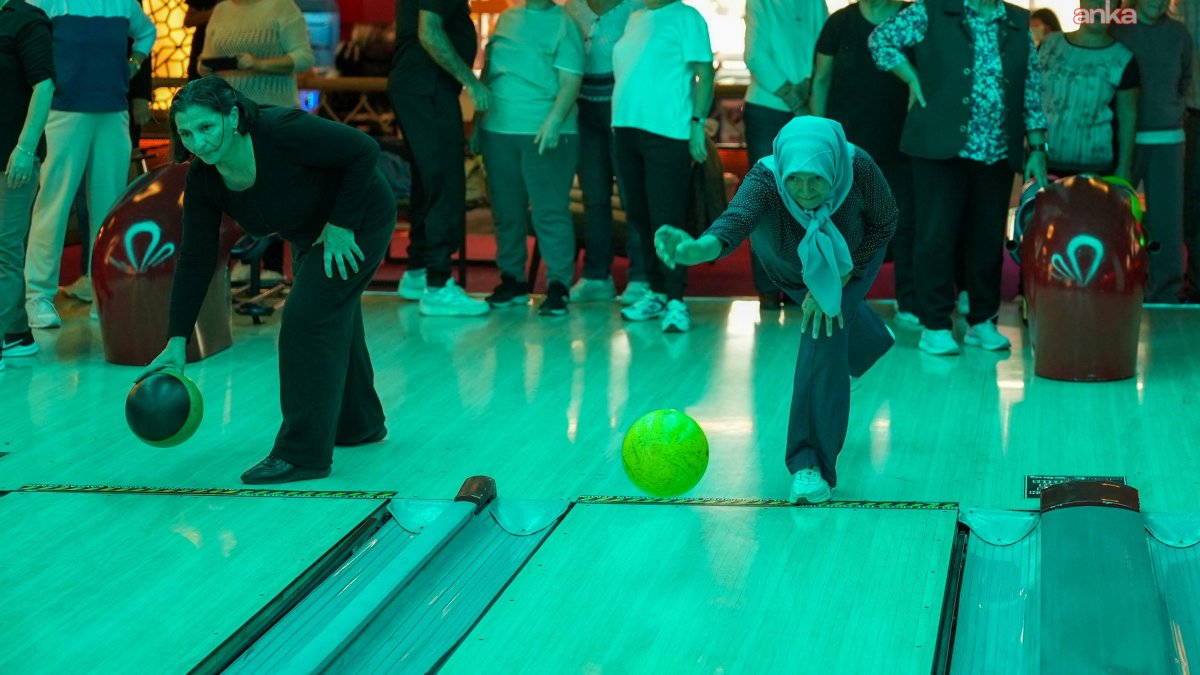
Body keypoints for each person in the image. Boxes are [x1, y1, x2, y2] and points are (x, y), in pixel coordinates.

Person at [140, 77, 396, 484]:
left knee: (306, 321)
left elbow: (363, 150)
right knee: (329, 313)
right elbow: (195, 260)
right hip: (309, 232)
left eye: (206, 127)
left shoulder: (281, 130)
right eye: (186, 133)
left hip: (358, 218)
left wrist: (342, 224)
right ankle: (359, 424)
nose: (198, 143)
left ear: (233, 117)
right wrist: (176, 341)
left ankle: (302, 454)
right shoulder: (203, 178)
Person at [654, 117, 897, 503]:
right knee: (836, 325)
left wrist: (841, 279)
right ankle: (869, 338)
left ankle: (809, 464)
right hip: (789, 266)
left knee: (823, 333)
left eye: (817, 180)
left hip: (852, 259)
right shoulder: (765, 178)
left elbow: (885, 221)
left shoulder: (859, 166)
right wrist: (696, 250)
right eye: (795, 180)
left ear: (834, 166)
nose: (805, 191)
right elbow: (734, 222)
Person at [869, 0, 1048, 355]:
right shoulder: (934, 10)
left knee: (987, 238)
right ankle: (935, 325)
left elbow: (1030, 87)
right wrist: (911, 76)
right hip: (938, 146)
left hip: (996, 149)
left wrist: (1038, 147)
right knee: (936, 235)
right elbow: (880, 40)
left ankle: (983, 321)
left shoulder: (1016, 21)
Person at [23, 0, 156, 329]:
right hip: (62, 113)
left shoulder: (123, 4)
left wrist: (134, 63)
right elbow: (22, 33)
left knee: (110, 210)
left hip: (113, 113)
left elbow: (147, 32)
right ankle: (37, 295)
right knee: (53, 203)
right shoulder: (49, 2)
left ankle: (105, 294)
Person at [471, 0, 583, 315]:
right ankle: (513, 280)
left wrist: (554, 122)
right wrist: (478, 123)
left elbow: (571, 80)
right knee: (506, 212)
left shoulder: (564, 24)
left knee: (549, 212)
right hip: (498, 129)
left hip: (545, 131)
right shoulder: (506, 19)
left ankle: (559, 285)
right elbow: (488, 73)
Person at [809, 0, 917, 326]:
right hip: (849, 145)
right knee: (847, 224)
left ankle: (910, 300)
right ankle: (851, 298)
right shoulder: (840, 23)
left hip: (904, 145)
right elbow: (821, 80)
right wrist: (819, 136)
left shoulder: (912, 19)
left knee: (907, 224)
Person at [612, 0, 713, 333]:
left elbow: (704, 74)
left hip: (668, 132)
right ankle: (655, 292)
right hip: (626, 127)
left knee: (667, 219)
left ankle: (675, 299)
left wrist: (697, 123)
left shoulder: (687, 17)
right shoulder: (636, 17)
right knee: (639, 216)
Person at [388, 0, 491, 317]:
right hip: (427, 88)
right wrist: (471, 81)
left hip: (420, 86)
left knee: (426, 180)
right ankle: (438, 283)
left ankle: (418, 271)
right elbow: (429, 33)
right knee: (443, 182)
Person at [742, 0, 827, 310]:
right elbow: (755, 56)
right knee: (766, 199)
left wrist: (808, 91)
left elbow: (824, 47)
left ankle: (802, 286)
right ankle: (768, 287)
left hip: (810, 107)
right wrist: (796, 98)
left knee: (810, 199)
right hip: (768, 109)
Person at [563, 0, 650, 306]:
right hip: (584, 111)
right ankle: (596, 276)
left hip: (625, 110)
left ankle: (641, 277)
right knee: (595, 197)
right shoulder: (572, 7)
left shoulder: (636, 6)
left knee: (632, 195)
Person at [1113, 0, 1193, 303]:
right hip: (1126, 137)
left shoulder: (1179, 34)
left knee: (1167, 223)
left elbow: (1184, 80)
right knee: (1114, 215)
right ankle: (1111, 283)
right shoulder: (1118, 29)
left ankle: (1166, 293)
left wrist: (1171, 111)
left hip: (1168, 136)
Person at [0, 0, 54, 370]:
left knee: (4, 249)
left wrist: (25, 148)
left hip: (14, 158)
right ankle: (17, 333)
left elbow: (44, 85)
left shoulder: (26, 19)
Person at [1038, 0, 1139, 179]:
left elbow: (1128, 119)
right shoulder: (1049, 45)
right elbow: (1030, 100)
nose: (1099, 6)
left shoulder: (1122, 58)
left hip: (1096, 171)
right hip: (1042, 165)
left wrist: (1124, 168)